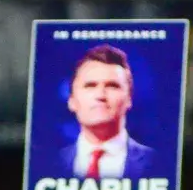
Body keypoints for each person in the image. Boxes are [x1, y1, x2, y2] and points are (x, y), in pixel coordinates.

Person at [57, 44, 156, 180]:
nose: (100, 95)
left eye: (112, 86)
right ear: (72, 100)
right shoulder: (50, 162)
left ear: (129, 99)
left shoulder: (157, 162)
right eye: (90, 86)